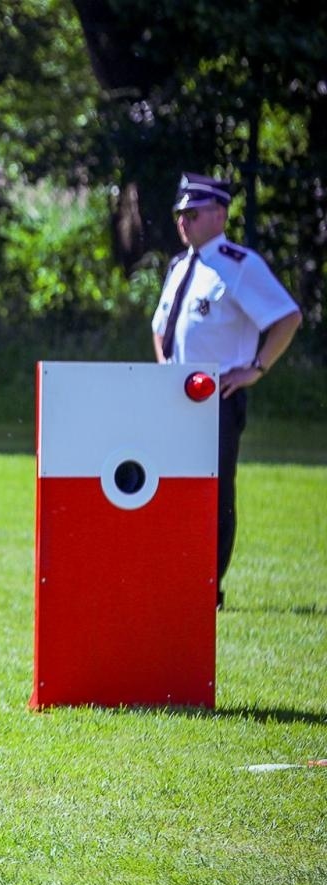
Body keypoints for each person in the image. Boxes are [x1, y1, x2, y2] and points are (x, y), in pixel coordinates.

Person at [152, 173, 302, 608]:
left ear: (219, 215)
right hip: (172, 398)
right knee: (171, 491)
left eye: (193, 214)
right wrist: (163, 370)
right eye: (180, 214)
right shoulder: (179, 265)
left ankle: (207, 586)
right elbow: (160, 327)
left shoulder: (239, 264)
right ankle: (176, 578)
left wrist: (256, 368)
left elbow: (287, 318)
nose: (183, 222)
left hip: (216, 398)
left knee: (213, 495)